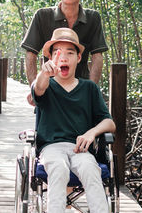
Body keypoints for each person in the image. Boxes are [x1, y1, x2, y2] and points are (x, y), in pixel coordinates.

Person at [31, 27, 116, 213]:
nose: (63, 58)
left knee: (91, 169)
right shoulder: (46, 85)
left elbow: (109, 123)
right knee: (59, 169)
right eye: (57, 53)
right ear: (50, 58)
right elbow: (38, 89)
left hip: (80, 149)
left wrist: (91, 132)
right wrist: (43, 74)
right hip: (51, 148)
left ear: (78, 58)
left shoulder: (89, 88)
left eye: (70, 53)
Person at [21, 0, 108, 106]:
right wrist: (35, 89)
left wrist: (91, 90)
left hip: (80, 91)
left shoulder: (93, 18)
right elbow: (31, 54)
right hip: (49, 89)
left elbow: (97, 56)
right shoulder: (42, 16)